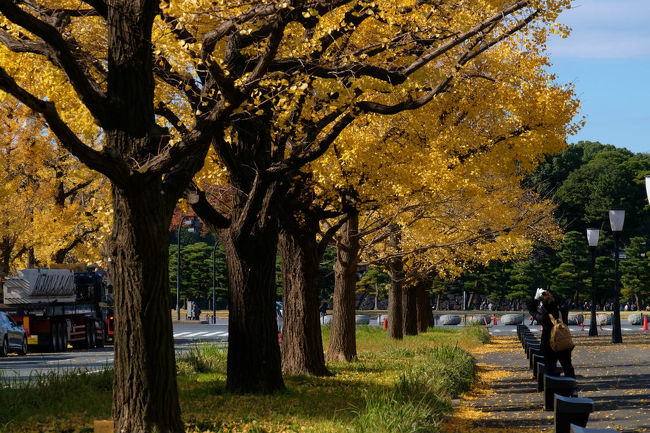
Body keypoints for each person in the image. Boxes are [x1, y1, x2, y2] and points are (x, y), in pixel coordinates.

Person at [527, 288, 575, 378]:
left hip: (549, 344)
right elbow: (563, 303)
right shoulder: (563, 312)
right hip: (563, 343)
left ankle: (552, 386)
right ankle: (571, 386)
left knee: (550, 368)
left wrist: (536, 298)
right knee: (568, 367)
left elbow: (532, 310)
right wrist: (551, 296)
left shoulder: (544, 317)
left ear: (544, 306)